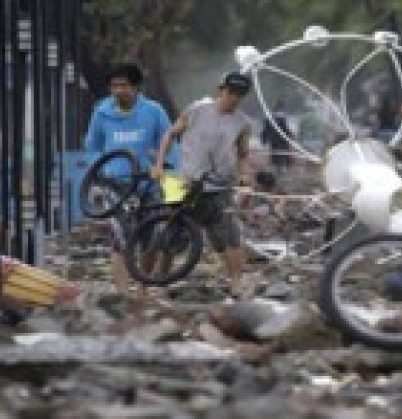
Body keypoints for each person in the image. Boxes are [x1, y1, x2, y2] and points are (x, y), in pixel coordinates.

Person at [152, 72, 254, 297]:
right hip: (183, 180)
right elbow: (170, 135)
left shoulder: (243, 123)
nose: (233, 98)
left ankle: (236, 282)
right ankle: (162, 281)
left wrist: (245, 176)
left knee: (230, 234)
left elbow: (243, 153)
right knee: (171, 233)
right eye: (230, 92)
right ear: (221, 90)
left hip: (219, 184)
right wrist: (159, 164)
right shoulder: (197, 109)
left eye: (239, 95)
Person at [83, 63, 171, 296]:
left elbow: (169, 141)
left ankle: (143, 287)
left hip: (148, 183)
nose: (118, 90)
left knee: (150, 238)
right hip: (116, 185)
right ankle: (122, 293)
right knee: (120, 239)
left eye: (123, 85)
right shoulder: (101, 112)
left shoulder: (153, 110)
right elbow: (92, 145)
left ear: (135, 87)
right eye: (114, 86)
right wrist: (100, 168)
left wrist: (165, 167)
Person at [260, 102, 293, 172]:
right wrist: (290, 137)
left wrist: (263, 139)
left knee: (275, 154)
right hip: (282, 141)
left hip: (273, 140)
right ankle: (281, 168)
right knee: (282, 155)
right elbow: (286, 129)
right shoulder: (282, 118)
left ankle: (277, 168)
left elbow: (266, 129)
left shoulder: (270, 117)